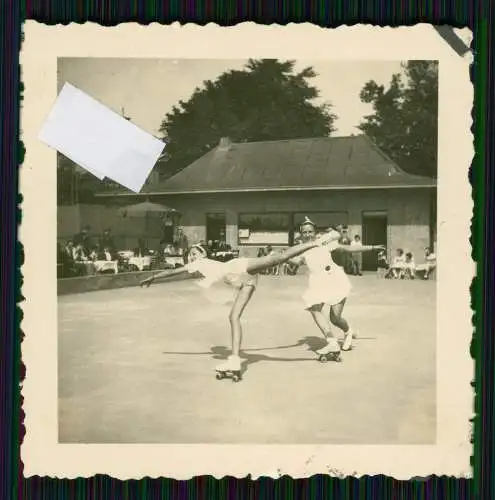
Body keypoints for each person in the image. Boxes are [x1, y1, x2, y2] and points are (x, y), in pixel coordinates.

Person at [140, 231, 341, 375]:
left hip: (238, 269)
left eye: (195, 252)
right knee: (233, 317)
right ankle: (235, 359)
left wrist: (154, 277)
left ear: (202, 255)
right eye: (190, 254)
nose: (191, 256)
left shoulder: (202, 263)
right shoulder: (200, 265)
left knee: (279, 258)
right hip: (244, 282)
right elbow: (179, 271)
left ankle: (318, 242)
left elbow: (174, 272)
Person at [289, 217, 384, 354]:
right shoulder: (301, 249)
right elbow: (297, 262)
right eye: (305, 232)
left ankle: (348, 331)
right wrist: (281, 258)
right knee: (313, 307)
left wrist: (372, 248)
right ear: (301, 234)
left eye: (310, 231)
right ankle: (332, 342)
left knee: (335, 318)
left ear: (315, 232)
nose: (308, 235)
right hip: (317, 282)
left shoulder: (324, 242)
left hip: (335, 280)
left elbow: (347, 247)